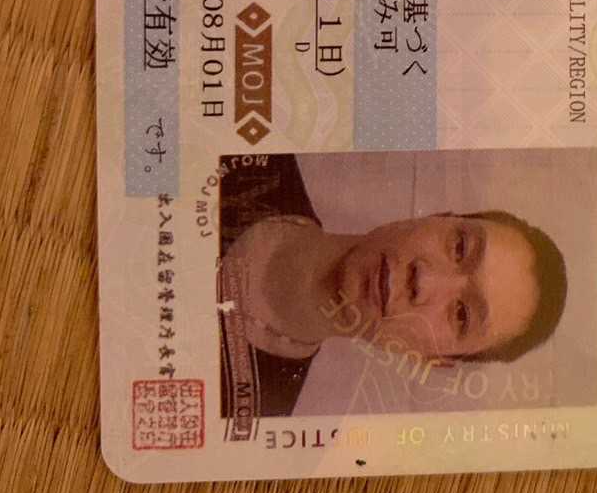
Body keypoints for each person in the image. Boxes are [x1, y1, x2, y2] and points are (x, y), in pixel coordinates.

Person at [218, 155, 568, 418]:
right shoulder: (251, 156)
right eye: (460, 247)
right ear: (436, 217)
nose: (424, 280)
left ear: (432, 361)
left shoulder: (250, 417)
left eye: (462, 314)